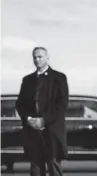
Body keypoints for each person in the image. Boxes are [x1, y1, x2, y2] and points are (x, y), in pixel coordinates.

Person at [15, 47, 69, 176]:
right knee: (36, 168)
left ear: (47, 57)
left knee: (54, 166)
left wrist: (43, 120)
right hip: (32, 133)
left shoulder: (59, 78)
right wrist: (28, 119)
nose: (37, 60)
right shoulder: (27, 80)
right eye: (34, 57)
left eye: (40, 56)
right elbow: (20, 104)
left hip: (52, 131)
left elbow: (62, 105)